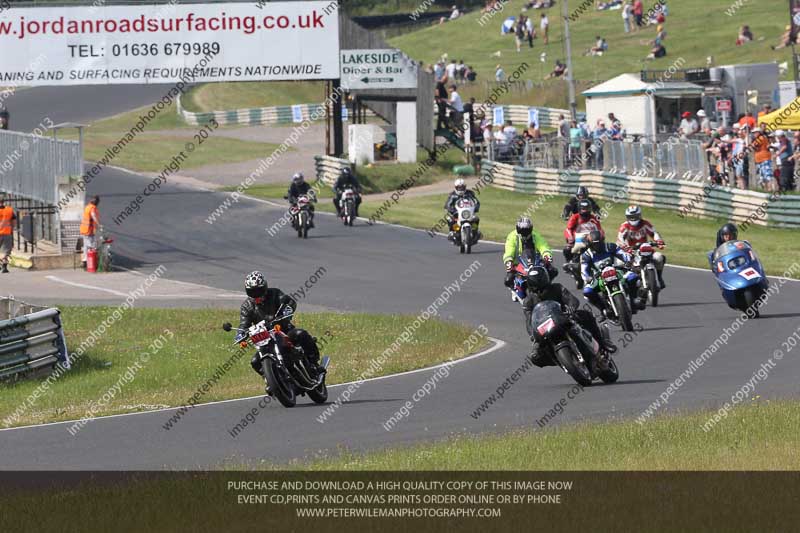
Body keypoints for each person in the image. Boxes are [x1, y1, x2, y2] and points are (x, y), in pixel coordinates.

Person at [236, 271, 323, 383]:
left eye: (259, 290)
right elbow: (244, 323)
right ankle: (271, 380)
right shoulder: (247, 306)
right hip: (266, 339)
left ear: (265, 287)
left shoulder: (275, 294)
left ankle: (314, 364)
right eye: (252, 291)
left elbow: (289, 301)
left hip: (284, 331)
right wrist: (240, 333)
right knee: (255, 362)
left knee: (300, 334)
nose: (256, 294)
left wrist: (287, 309)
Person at [525, 265, 617, 368]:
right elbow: (529, 320)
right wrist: (532, 335)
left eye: (540, 281)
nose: (539, 286)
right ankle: (559, 360)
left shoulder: (557, 288)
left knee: (586, 315)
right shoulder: (528, 301)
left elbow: (571, 299)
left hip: (565, 317)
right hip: (547, 326)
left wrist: (571, 307)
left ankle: (603, 343)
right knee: (536, 356)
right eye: (535, 282)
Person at [580, 230, 643, 316]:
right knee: (587, 291)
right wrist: (587, 277)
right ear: (590, 244)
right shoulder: (586, 255)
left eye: (599, 243)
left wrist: (628, 261)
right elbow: (584, 270)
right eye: (595, 244)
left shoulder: (610, 246)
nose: (598, 246)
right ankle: (603, 310)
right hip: (598, 277)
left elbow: (622, 254)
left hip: (616, 271)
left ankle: (633, 300)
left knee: (633, 277)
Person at [617, 205, 667, 289]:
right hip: (631, 250)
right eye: (631, 217)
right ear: (627, 217)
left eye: (635, 216)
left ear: (639, 215)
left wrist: (659, 241)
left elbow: (654, 233)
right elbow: (619, 238)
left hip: (645, 248)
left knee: (659, 257)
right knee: (619, 262)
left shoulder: (645, 223)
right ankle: (622, 283)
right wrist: (625, 247)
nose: (633, 219)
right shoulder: (624, 226)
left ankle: (659, 277)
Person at [503, 216, 556, 287]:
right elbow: (509, 250)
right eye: (522, 231)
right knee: (508, 280)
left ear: (531, 229)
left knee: (552, 271)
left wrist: (547, 255)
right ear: (517, 229)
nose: (524, 234)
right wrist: (509, 261)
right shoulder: (512, 236)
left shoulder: (535, 235)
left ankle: (547, 286)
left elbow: (543, 245)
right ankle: (516, 290)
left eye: (527, 231)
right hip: (517, 264)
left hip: (535, 262)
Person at [564, 199, 603, 269]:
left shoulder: (594, 218)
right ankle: (569, 262)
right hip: (578, 240)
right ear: (579, 208)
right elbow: (568, 229)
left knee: (602, 246)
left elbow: (599, 229)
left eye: (587, 208)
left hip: (591, 239)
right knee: (567, 249)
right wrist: (571, 238)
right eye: (583, 209)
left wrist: (601, 236)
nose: (585, 210)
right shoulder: (575, 217)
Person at [79, 195, 100, 268]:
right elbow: (93, 216)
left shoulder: (87, 207)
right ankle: (91, 262)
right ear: (96, 202)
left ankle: (85, 261)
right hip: (88, 230)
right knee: (91, 245)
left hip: (85, 229)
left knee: (86, 246)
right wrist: (98, 224)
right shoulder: (92, 208)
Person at [0, 195, 16, 273]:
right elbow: (13, 222)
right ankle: (4, 267)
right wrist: (11, 229)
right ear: (3, 202)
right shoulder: (9, 210)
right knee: (5, 251)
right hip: (7, 233)